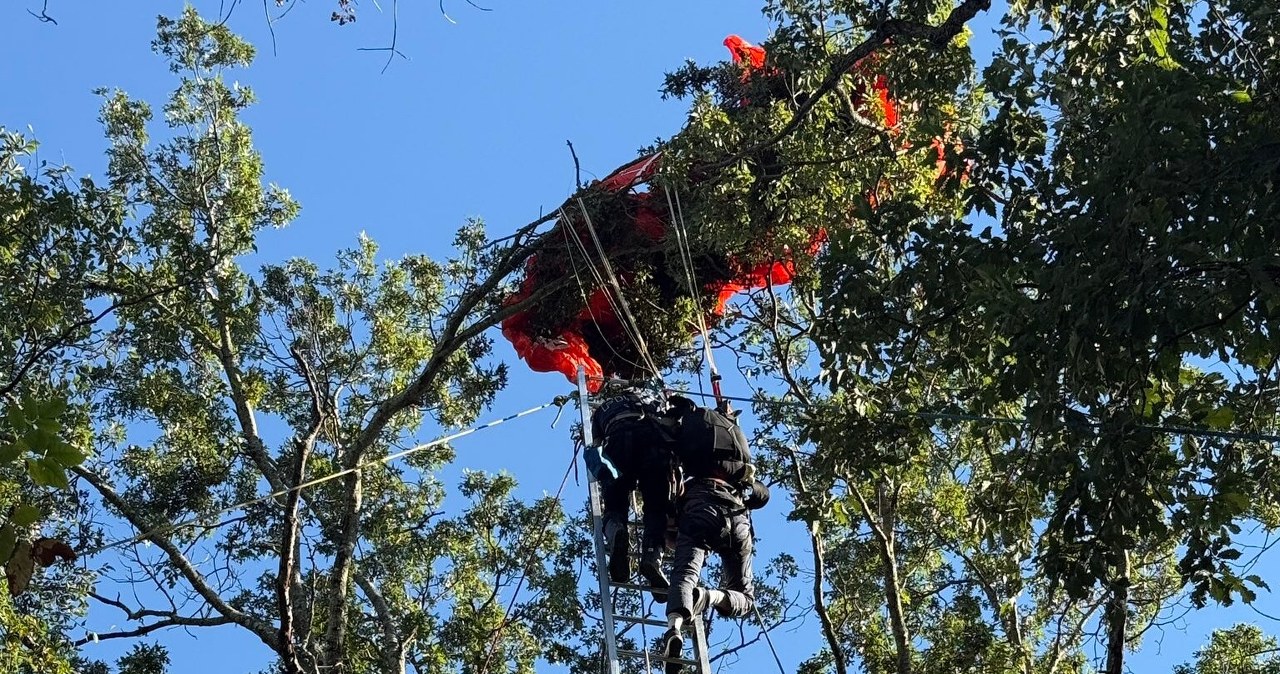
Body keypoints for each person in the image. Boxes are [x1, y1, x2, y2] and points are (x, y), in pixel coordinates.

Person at [660, 395, 769, 673]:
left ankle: (674, 627)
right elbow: (761, 494)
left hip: (701, 506)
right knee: (746, 599)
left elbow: (668, 477)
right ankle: (710, 597)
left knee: (685, 573)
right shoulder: (737, 455)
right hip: (737, 518)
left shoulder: (690, 444)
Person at [587, 383, 680, 593]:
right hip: (652, 443)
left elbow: (597, 445)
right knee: (657, 507)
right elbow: (672, 425)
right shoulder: (652, 401)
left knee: (615, 503)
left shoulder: (603, 408)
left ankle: (616, 531)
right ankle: (652, 556)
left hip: (617, 441)